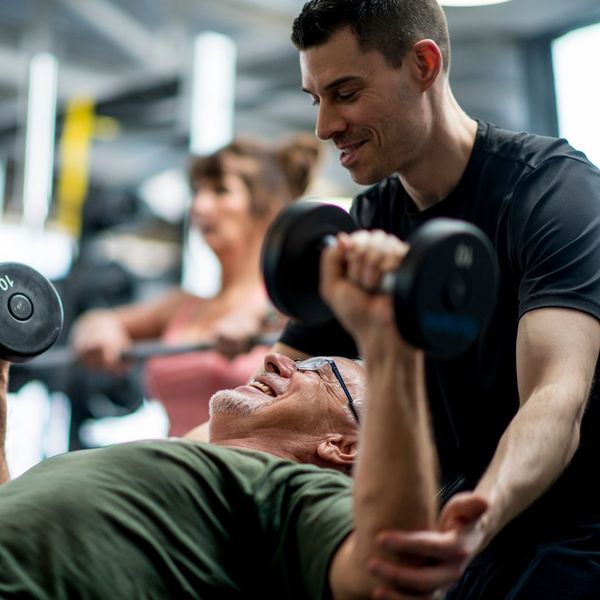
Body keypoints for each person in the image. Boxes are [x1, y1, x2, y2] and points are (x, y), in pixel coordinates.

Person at [270, 1, 600, 598]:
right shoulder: (370, 220)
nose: (324, 127)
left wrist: (481, 513)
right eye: (314, 99)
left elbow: (557, 399)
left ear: (423, 64)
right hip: (457, 537)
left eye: (345, 92)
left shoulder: (552, 192)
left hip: (571, 538)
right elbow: (272, 381)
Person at [0, 235, 443, 599]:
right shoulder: (178, 462)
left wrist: (392, 345)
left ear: (343, 446)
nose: (275, 363)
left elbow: (391, 572)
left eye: (317, 371)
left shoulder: (291, 493)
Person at [70, 134, 323, 437]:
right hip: (176, 471)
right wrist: (99, 327)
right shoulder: (183, 306)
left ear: (269, 206)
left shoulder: (288, 304)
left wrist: (260, 320)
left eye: (220, 191)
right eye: (197, 191)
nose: (199, 206)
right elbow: (99, 320)